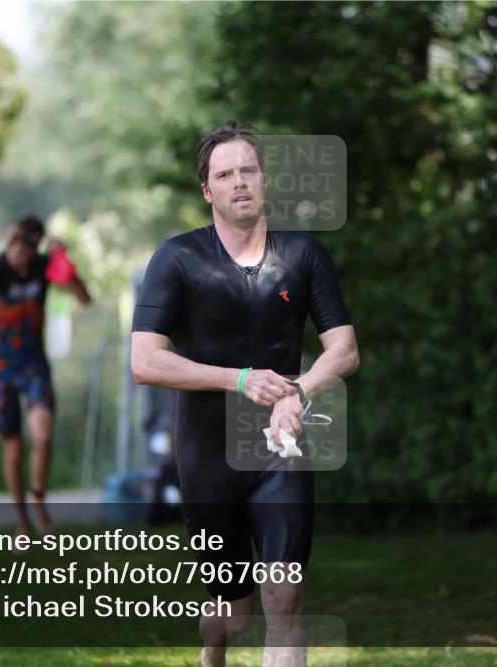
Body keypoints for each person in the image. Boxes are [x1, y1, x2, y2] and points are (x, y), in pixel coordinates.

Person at [131, 122, 359, 667]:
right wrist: (239, 378)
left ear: (265, 181)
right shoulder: (177, 258)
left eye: (248, 171)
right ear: (207, 191)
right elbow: (144, 361)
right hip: (206, 456)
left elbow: (345, 350)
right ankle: (214, 652)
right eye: (225, 174)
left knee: (285, 595)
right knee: (234, 612)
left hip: (279, 448)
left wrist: (296, 392)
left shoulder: (303, 254)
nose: (239, 182)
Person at [0, 214, 92, 539]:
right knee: (13, 449)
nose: (19, 254)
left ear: (34, 248)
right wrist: (1, 247)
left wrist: (64, 261)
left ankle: (39, 501)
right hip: (2, 370)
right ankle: (22, 521)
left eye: (25, 247)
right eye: (14, 246)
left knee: (43, 437)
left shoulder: (44, 265)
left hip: (35, 367)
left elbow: (84, 298)